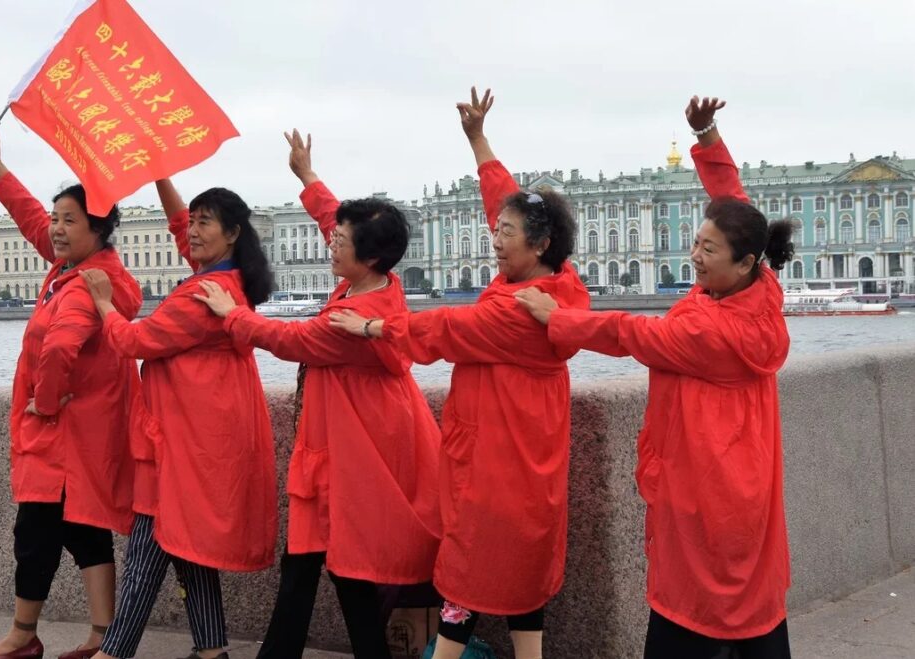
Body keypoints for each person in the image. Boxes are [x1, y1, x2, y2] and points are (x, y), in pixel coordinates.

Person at [515, 97, 794, 659]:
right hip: (748, 477)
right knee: (754, 610)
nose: (695, 255)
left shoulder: (710, 331)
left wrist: (559, 317)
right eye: (696, 241)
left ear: (744, 262)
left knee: (690, 606)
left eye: (708, 249)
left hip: (704, 483)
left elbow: (631, 333)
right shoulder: (760, 291)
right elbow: (736, 203)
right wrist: (708, 137)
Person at [329, 89, 590, 659]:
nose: (494, 239)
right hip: (530, 449)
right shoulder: (555, 281)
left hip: (496, 457)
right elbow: (505, 199)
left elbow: (445, 329)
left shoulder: (517, 311)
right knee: (522, 567)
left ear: (539, 245)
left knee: (469, 568)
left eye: (505, 234)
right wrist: (478, 140)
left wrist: (373, 327)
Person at [196, 130, 441, 659]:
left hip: (358, 445)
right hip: (344, 437)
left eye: (341, 241)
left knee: (326, 559)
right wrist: (306, 175)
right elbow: (334, 218)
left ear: (369, 257)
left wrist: (232, 314)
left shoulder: (358, 316)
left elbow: (291, 340)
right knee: (322, 560)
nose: (331, 241)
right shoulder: (374, 280)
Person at [83, 178, 277, 659]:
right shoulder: (229, 279)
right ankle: (212, 651)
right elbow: (177, 224)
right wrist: (161, 175)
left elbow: (133, 341)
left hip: (184, 437)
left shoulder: (202, 294)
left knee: (150, 540)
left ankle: (113, 652)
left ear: (231, 233)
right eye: (192, 222)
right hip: (206, 429)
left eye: (204, 223)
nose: (191, 231)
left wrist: (104, 303)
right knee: (189, 545)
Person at [0, 124, 141, 659]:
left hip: (62, 436)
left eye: (69, 220)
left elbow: (61, 348)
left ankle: (23, 635)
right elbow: (30, 219)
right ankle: (102, 634)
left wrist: (44, 405)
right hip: (85, 432)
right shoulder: (80, 266)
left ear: (98, 228)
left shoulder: (81, 285)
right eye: (57, 218)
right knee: (84, 527)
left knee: (35, 532)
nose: (56, 229)